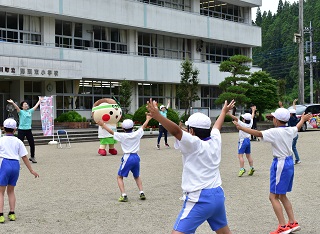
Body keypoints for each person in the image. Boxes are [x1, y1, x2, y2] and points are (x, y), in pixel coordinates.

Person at [147, 98, 235, 234]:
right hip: (217, 194)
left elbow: (177, 132)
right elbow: (217, 126)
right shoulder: (215, 139)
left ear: (192, 131)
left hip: (200, 198)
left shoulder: (194, 144)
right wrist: (223, 111)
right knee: (224, 232)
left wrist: (158, 116)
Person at [233, 107, 311, 234]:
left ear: (276, 120)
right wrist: (302, 119)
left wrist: (241, 128)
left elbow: (258, 133)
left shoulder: (274, 132)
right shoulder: (290, 130)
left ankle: (282, 226)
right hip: (289, 162)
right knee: (282, 195)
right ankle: (292, 222)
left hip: (280, 163)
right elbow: (297, 127)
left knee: (273, 196)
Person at [97, 116, 152, 202]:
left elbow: (111, 132)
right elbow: (143, 126)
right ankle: (141, 192)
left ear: (123, 128)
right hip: (136, 157)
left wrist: (103, 124)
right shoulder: (136, 133)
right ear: (132, 127)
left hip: (128, 157)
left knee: (119, 177)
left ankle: (124, 195)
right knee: (137, 176)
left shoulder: (122, 135)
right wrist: (148, 119)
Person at [0, 118, 39, 223]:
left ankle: (0, 215)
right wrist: (31, 170)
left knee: (1, 192)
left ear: (3, 128)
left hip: (4, 163)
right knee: (11, 191)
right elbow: (25, 157)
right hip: (15, 165)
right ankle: (12, 213)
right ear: (15, 129)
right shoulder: (18, 141)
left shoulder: (1, 139)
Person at [7, 97, 43, 163]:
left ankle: (32, 157)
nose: (26, 105)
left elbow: (35, 106)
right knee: (18, 144)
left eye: (27, 104)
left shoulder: (30, 111)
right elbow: (17, 107)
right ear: (22, 106)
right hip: (21, 130)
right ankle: (16, 158)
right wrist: (12, 103)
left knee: (32, 144)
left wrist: (39, 101)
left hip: (28, 130)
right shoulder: (20, 112)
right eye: (25, 104)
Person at [227, 105, 256, 177]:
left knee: (240, 156)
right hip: (248, 141)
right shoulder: (250, 123)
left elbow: (235, 118)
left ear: (244, 120)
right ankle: (251, 168)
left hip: (242, 141)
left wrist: (229, 113)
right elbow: (252, 116)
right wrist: (253, 110)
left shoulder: (242, 124)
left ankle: (242, 169)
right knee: (248, 156)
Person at [280, 99, 301, 165]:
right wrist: (293, 103)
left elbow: (284, 111)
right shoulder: (296, 118)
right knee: (293, 147)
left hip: (291, 135)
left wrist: (281, 106)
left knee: (290, 148)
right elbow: (294, 109)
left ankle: (291, 160)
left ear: (291, 114)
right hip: (296, 134)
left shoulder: (289, 118)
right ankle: (297, 159)